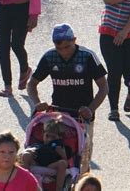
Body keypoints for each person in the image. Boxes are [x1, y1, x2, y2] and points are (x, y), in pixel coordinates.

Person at [27, 23, 108, 174]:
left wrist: (90, 109)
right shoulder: (49, 57)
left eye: (67, 47)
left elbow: (104, 87)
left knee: (83, 158)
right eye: (59, 48)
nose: (64, 52)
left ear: (75, 40)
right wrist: (37, 102)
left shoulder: (87, 56)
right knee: (53, 156)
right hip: (57, 115)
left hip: (82, 117)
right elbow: (32, 84)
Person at [20, 117, 69, 191]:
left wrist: (63, 155)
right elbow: (27, 152)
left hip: (52, 167)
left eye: (53, 137)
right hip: (37, 164)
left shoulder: (61, 148)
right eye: (47, 136)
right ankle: (24, 182)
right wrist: (30, 152)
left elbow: (67, 165)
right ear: (43, 134)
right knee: (25, 155)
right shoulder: (38, 145)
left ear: (59, 137)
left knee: (63, 163)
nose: (49, 139)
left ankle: (59, 189)